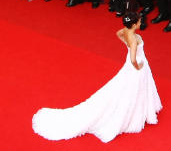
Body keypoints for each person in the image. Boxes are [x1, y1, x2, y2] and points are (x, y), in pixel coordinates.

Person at [31, 10, 162, 142]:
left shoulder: (126, 31)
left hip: (129, 63)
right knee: (133, 89)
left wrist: (127, 47)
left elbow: (119, 34)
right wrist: (138, 66)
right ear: (134, 24)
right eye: (139, 21)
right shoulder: (134, 40)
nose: (140, 23)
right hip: (136, 67)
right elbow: (134, 59)